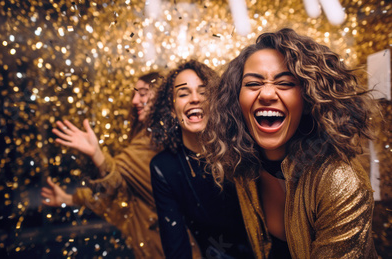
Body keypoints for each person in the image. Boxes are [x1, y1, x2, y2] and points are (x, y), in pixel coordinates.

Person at [203, 28, 378, 258]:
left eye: (285, 83)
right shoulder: (243, 166)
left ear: (308, 100)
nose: (266, 94)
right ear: (237, 102)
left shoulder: (341, 181)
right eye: (253, 84)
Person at [41, 72, 167, 258]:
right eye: (134, 94)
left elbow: (117, 184)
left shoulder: (156, 142)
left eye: (142, 93)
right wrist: (70, 199)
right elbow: (123, 197)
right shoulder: (147, 137)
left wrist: (97, 154)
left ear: (161, 96)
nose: (134, 100)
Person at [148, 60, 253, 258]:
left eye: (204, 92)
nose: (195, 99)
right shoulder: (165, 168)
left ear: (216, 101)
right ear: (172, 109)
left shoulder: (242, 146)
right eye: (183, 93)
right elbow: (176, 246)